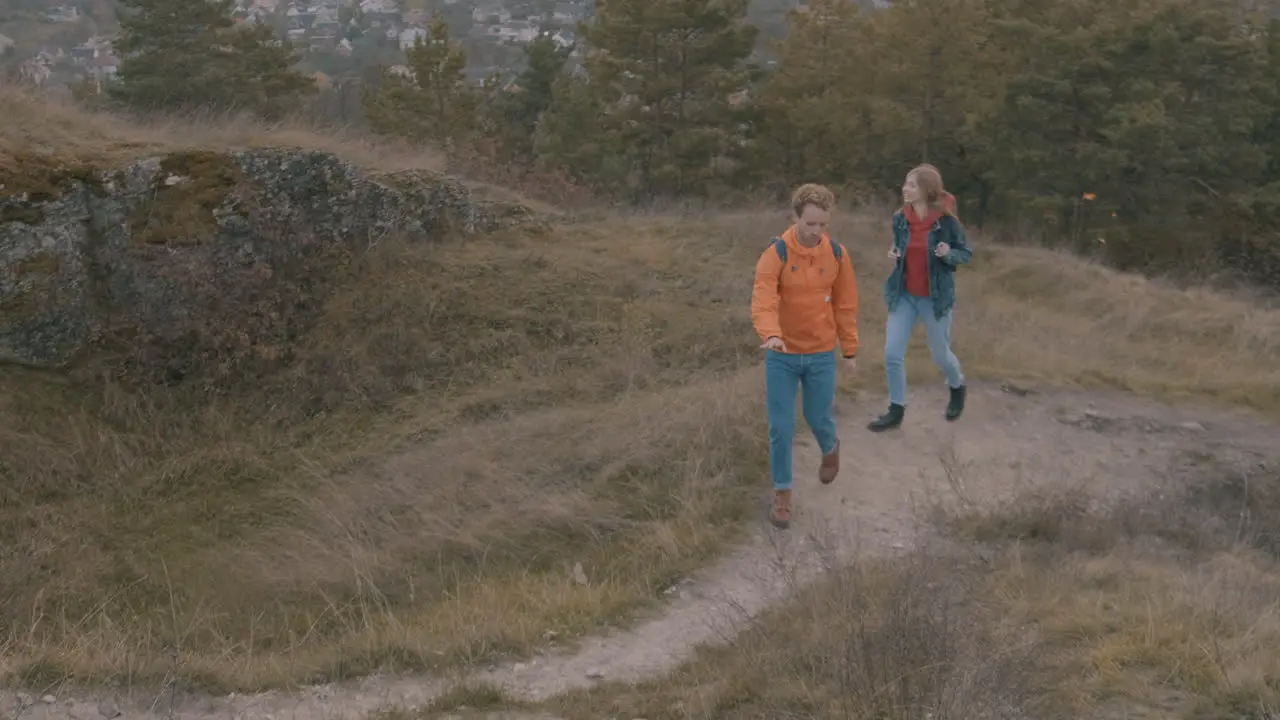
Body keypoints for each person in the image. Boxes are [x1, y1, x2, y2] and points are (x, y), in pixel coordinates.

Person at [750, 183, 860, 529]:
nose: (815, 232)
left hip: (821, 354)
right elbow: (763, 299)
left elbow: (846, 304)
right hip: (782, 354)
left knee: (817, 417)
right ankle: (783, 494)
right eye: (809, 224)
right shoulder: (776, 254)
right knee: (781, 428)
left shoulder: (838, 255)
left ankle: (831, 447)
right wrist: (770, 335)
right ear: (795, 217)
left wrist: (850, 349)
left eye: (822, 225)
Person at [867, 164, 972, 432]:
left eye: (911, 185)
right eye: (905, 184)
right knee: (892, 353)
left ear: (926, 190)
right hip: (904, 295)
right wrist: (895, 252)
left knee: (940, 355)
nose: (905, 189)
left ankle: (957, 386)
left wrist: (948, 252)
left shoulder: (945, 221)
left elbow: (965, 253)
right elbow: (901, 245)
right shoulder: (900, 218)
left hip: (935, 298)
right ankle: (896, 410)